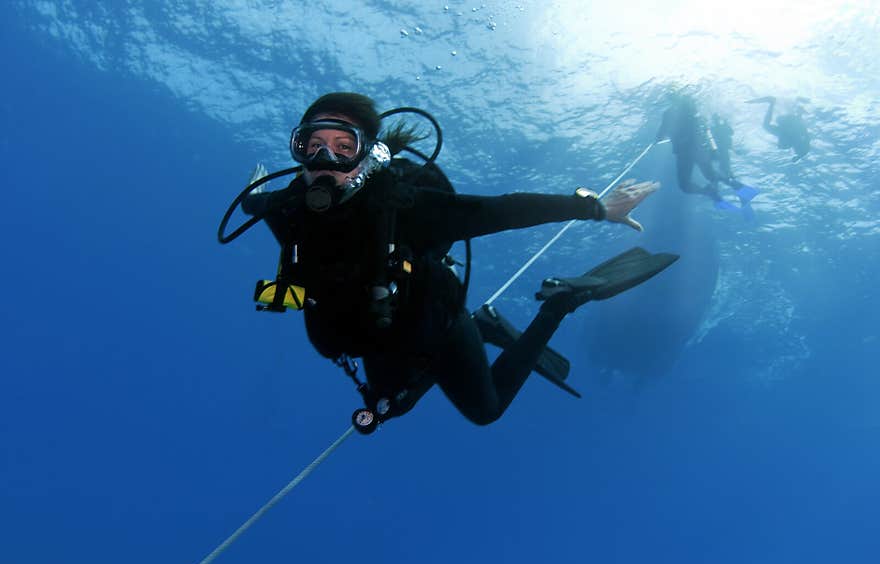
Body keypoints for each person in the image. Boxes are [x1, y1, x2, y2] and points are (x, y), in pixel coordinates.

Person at [236, 92, 678, 429]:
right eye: (312, 146)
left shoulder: (405, 208)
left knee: (485, 410)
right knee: (396, 404)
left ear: (367, 156)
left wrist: (595, 208)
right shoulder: (286, 210)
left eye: (342, 146)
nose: (325, 159)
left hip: (437, 325)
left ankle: (557, 303)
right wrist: (258, 215)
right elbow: (263, 221)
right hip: (375, 335)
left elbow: (500, 210)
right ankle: (486, 329)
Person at [656, 94, 757, 210]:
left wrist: (660, 137)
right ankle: (739, 188)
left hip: (684, 152)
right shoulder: (694, 113)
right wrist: (714, 150)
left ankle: (710, 193)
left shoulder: (669, 113)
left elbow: (660, 136)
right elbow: (706, 130)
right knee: (711, 175)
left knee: (685, 185)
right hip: (701, 149)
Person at [746, 96, 810, 162]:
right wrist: (798, 157)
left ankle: (776, 102)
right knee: (788, 119)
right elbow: (806, 141)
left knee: (780, 120)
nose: (780, 140)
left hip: (789, 121)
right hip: (792, 121)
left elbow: (805, 143)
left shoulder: (781, 134)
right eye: (782, 141)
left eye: (780, 141)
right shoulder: (795, 140)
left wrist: (798, 157)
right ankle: (795, 105)